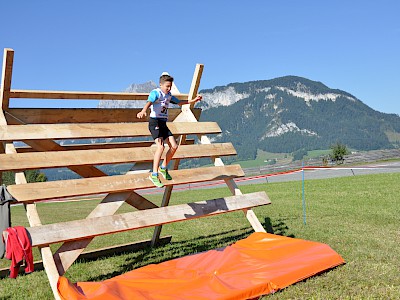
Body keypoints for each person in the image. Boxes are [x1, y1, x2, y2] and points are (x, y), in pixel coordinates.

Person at [137, 74, 202, 187]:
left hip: (163, 123)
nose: (169, 88)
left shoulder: (169, 95)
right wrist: (143, 111)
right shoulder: (156, 93)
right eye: (167, 86)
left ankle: (163, 167)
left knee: (174, 146)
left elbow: (181, 102)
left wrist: (194, 100)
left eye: (170, 86)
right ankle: (154, 174)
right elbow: (149, 102)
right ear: (161, 85)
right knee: (161, 147)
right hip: (155, 122)